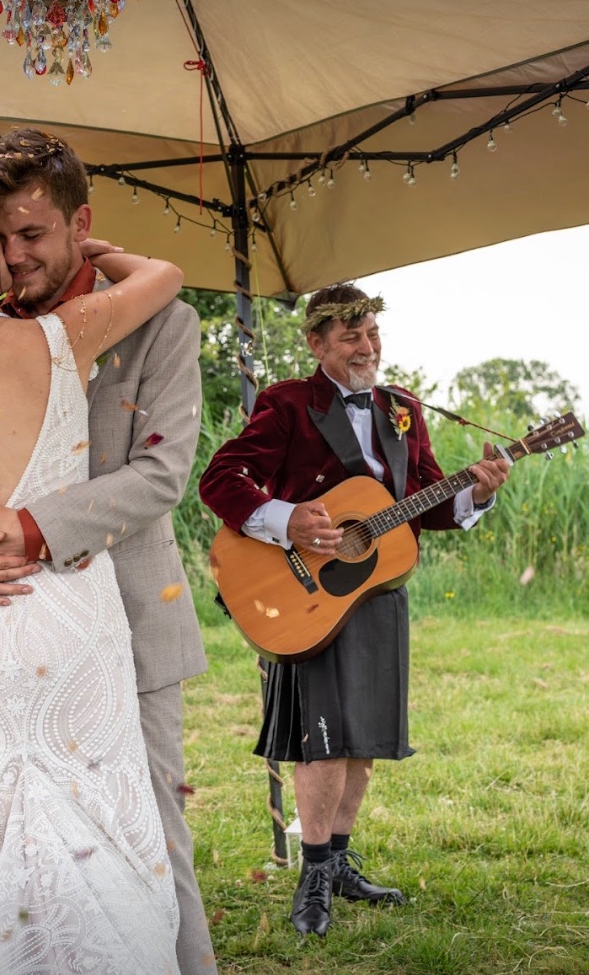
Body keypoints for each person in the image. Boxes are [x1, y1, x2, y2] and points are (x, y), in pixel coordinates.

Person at [0, 128, 216, 973]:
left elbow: (161, 474)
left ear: (81, 223)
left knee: (145, 840)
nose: (13, 255)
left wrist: (37, 528)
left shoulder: (163, 325)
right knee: (8, 853)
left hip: (127, 626)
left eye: (32, 234)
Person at [199, 282, 511, 937]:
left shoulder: (402, 410)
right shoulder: (289, 403)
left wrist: (475, 495)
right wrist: (288, 521)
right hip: (306, 594)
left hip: (375, 592)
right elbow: (220, 478)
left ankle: (339, 862)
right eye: (350, 337)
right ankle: (312, 878)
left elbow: (422, 499)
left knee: (363, 739)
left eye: (372, 333)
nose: (367, 347)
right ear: (317, 344)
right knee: (323, 741)